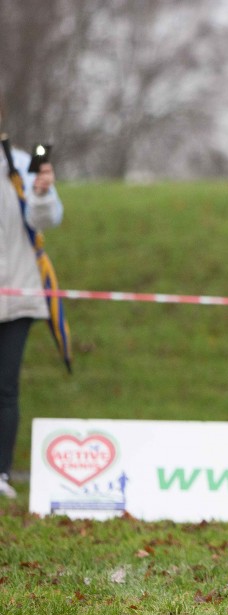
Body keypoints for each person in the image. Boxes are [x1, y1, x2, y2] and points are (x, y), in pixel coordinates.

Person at [0, 102, 64, 499]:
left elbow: (48, 218)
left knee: (6, 388)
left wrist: (40, 193)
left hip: (18, 293)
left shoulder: (21, 163)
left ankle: (1, 473)